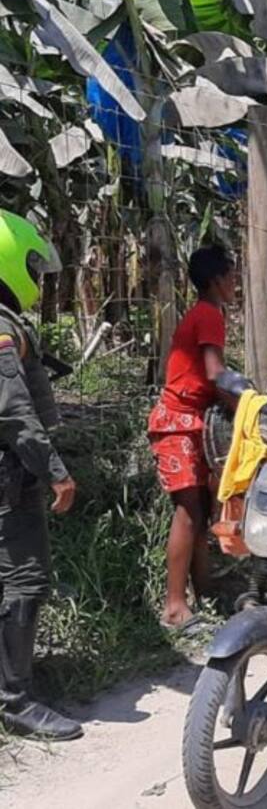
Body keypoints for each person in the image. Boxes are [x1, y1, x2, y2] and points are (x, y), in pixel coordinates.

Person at [0, 209, 81, 740]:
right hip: (10, 476)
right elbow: (11, 410)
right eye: (31, 261)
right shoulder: (2, 327)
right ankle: (15, 701)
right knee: (25, 581)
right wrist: (55, 472)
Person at [147, 245, 236, 631]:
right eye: (232, 276)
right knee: (188, 514)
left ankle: (205, 592)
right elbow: (216, 374)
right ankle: (174, 607)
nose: (235, 284)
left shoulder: (205, 312)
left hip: (189, 420)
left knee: (200, 510)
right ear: (218, 280)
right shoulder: (209, 315)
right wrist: (246, 405)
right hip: (178, 423)